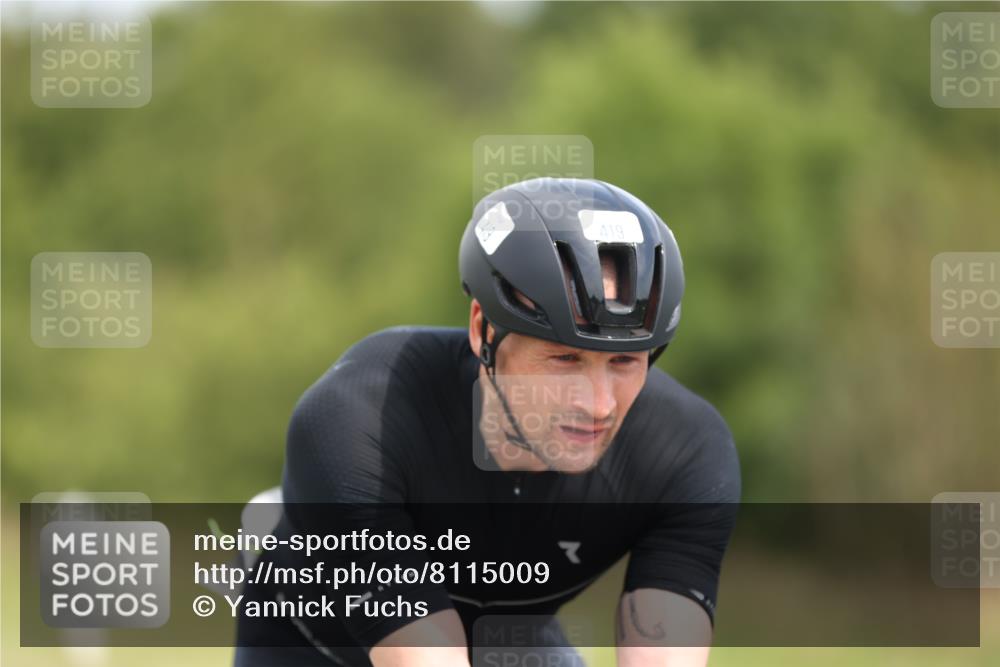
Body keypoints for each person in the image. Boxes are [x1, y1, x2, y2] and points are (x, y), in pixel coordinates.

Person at [234, 177, 741, 667]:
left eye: (625, 362)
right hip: (314, 642)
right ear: (483, 329)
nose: (600, 404)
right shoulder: (359, 419)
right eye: (565, 360)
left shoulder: (688, 453)